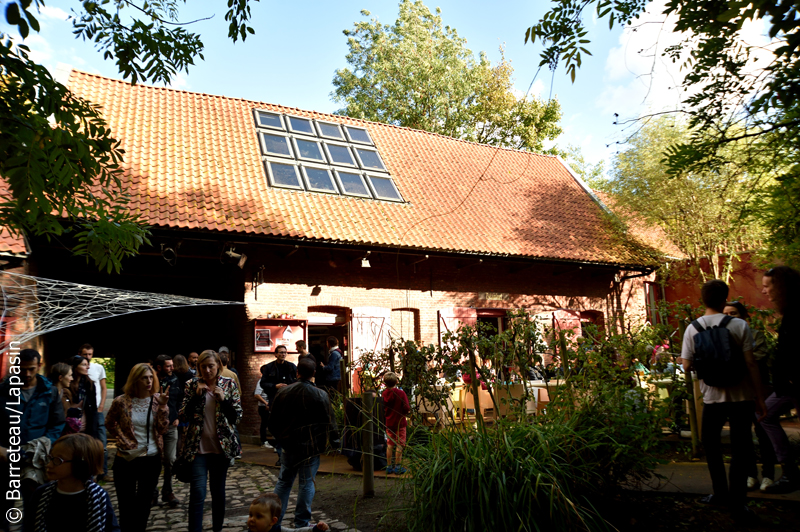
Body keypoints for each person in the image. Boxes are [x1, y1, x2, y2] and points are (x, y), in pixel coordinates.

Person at [680, 279, 766, 521]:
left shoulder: (692, 328)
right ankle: (738, 504)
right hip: (742, 398)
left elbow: (686, 366)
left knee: (711, 445)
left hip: (711, 399)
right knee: (741, 449)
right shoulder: (739, 325)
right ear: (724, 299)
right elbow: (751, 363)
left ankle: (719, 493)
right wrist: (760, 398)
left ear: (702, 300)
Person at [0, 349, 66, 531]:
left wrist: (44, 445)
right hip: (7, 457)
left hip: (36, 459)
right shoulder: (3, 391)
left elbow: (57, 424)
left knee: (35, 507)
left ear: (39, 365)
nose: (26, 374)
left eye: (31, 369)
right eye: (22, 369)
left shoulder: (50, 392)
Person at [270, 358, 339, 528]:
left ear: (297, 372)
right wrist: (335, 441)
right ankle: (302, 521)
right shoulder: (320, 394)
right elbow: (330, 421)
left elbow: (273, 421)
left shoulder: (283, 392)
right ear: (314, 374)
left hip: (289, 446)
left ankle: (274, 520)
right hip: (311, 447)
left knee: (284, 482)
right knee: (307, 483)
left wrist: (280, 438)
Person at [179, 350, 242, 532]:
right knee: (197, 492)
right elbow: (183, 414)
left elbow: (237, 417)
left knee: (218, 493)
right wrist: (196, 397)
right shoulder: (192, 385)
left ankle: (217, 529)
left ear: (218, 366)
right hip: (197, 449)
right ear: (198, 368)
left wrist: (223, 400)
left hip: (220, 449)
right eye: (203, 367)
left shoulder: (229, 384)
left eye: (211, 366)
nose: (207, 370)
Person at [105, 362, 170, 532]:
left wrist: (163, 407)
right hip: (127, 458)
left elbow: (163, 429)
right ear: (135, 379)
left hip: (151, 458)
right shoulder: (121, 401)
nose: (148, 381)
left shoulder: (157, 400)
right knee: (126, 504)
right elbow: (109, 422)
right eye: (144, 378)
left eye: (150, 377)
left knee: (144, 503)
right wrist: (121, 438)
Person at [723, 300, 777, 492]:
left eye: (734, 313)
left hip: (758, 391)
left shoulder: (756, 335)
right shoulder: (722, 337)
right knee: (743, 437)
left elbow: (757, 358)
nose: (730, 317)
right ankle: (751, 474)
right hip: (739, 393)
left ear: (744, 316)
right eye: (726, 314)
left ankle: (769, 475)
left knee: (764, 434)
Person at [22, 433, 120, 532]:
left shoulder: (98, 497)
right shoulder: (41, 494)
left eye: (57, 460)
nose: (49, 465)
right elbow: (29, 526)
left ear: (80, 464)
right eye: (50, 458)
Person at [759, 266, 800, 493]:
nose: (764, 291)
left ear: (782, 286)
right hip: (787, 385)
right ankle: (790, 472)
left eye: (767, 286)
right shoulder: (789, 312)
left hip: (795, 384)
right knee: (764, 414)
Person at [260, 345, 297, 461]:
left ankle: (288, 454)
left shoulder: (291, 367)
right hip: (275, 400)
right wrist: (275, 386)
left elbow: (297, 381)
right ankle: (281, 456)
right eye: (281, 352)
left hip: (290, 401)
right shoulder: (269, 368)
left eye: (285, 353)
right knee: (277, 428)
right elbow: (263, 384)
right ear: (275, 354)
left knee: (290, 427)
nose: (283, 354)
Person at [79, 343, 110, 481]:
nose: (88, 357)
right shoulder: (77, 368)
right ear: (80, 354)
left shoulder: (98, 367)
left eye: (90, 354)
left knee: (101, 441)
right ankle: (88, 473)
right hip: (84, 411)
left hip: (97, 410)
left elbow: (104, 387)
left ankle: (103, 472)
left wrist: (102, 404)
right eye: (85, 354)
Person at [154, 355, 181, 507]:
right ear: (159, 367)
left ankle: (167, 490)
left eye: (172, 365)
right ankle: (152, 491)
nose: (172, 368)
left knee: (170, 459)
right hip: (154, 427)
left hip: (171, 425)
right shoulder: (152, 380)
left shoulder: (175, 380)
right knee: (155, 460)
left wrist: (177, 415)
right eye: (168, 366)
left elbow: (178, 399)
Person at [247, 493, 329, 532]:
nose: (251, 519)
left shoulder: (279, 531)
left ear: (272, 521)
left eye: (258, 516)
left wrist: (315, 529)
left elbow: (297, 531)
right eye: (251, 515)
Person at [382, 372, 410, 474]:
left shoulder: (384, 394)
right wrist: (405, 412)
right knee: (400, 444)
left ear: (385, 383)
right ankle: (398, 466)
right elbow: (406, 407)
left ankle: (389, 466)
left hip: (389, 423)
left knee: (390, 444)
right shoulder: (401, 393)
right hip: (400, 423)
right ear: (396, 381)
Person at [68, 355, 101, 439]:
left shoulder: (89, 384)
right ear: (75, 367)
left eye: (88, 364)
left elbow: (93, 408)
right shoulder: (67, 384)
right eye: (84, 365)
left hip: (85, 424)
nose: (88, 367)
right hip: (68, 425)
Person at [173, 354, 194, 453]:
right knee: (184, 433)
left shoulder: (173, 375)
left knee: (176, 433)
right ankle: (183, 452)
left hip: (176, 403)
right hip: (185, 404)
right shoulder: (189, 375)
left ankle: (176, 453)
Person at [253, 379, 273, 449]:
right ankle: (263, 442)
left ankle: (275, 443)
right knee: (265, 423)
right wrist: (266, 403)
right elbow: (257, 395)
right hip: (264, 407)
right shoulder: (262, 381)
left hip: (270, 405)